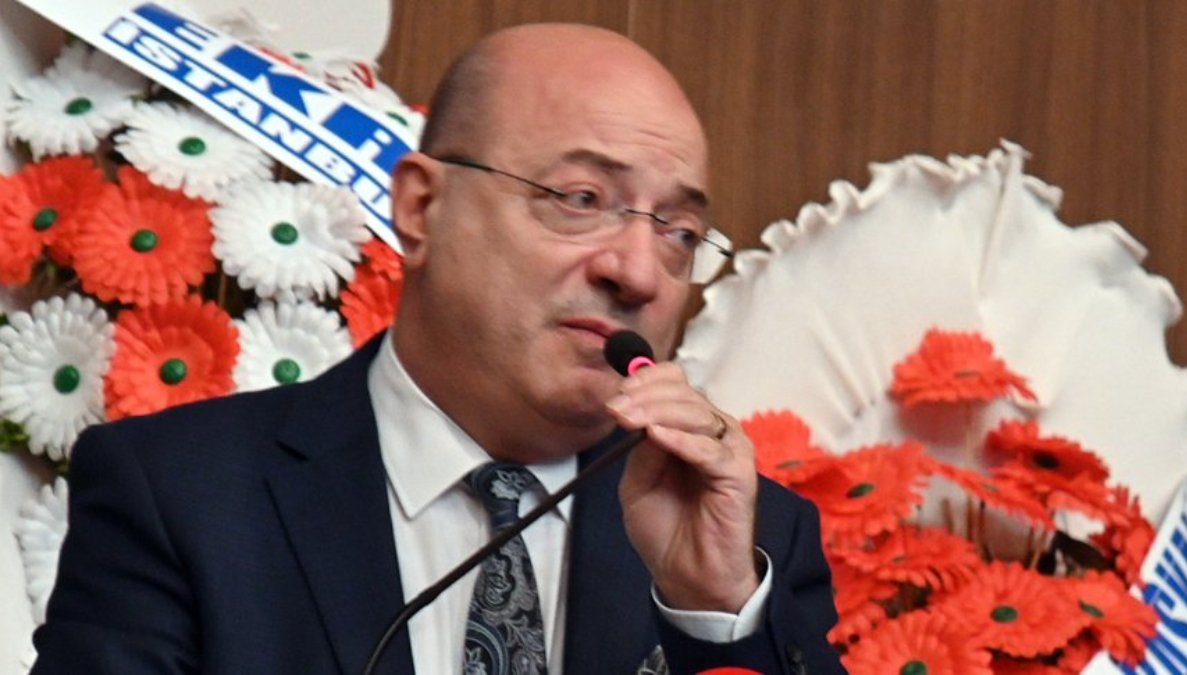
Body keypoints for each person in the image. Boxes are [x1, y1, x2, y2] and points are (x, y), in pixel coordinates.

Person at [31, 23, 844, 675]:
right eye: (580, 198)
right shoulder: (182, 495)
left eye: (679, 232)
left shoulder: (752, 542)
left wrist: (714, 614)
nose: (636, 271)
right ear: (421, 206)